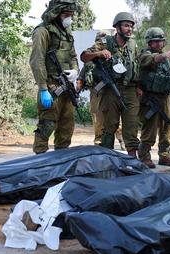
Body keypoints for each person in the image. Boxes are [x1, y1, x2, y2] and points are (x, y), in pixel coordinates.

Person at [80, 12, 140, 157]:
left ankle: (132, 159)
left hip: (130, 89)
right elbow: (84, 56)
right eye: (126, 25)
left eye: (131, 26)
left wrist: (139, 87)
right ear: (118, 27)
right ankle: (106, 157)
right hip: (110, 90)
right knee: (110, 125)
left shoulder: (133, 44)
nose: (129, 29)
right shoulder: (105, 42)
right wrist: (99, 53)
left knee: (131, 124)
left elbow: (137, 66)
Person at [29, 0, 78, 154]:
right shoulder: (42, 31)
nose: (69, 18)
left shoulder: (67, 32)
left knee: (66, 128)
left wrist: (75, 70)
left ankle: (60, 163)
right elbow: (37, 61)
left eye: (71, 15)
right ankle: (39, 161)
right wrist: (43, 88)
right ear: (56, 13)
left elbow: (73, 55)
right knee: (46, 126)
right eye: (66, 14)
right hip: (51, 87)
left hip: (66, 88)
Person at [137, 27, 170, 168]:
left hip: (166, 96)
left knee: (167, 128)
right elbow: (150, 60)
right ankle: (144, 156)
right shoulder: (145, 55)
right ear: (149, 42)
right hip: (151, 98)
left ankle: (165, 155)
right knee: (149, 129)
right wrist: (164, 56)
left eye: (161, 41)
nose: (159, 44)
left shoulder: (166, 58)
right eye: (155, 41)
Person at [77, 31, 125, 150]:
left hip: (110, 90)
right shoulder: (92, 58)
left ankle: (121, 139)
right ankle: (99, 141)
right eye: (99, 40)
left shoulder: (112, 56)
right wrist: (79, 82)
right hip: (96, 91)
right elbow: (83, 71)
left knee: (114, 118)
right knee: (98, 118)